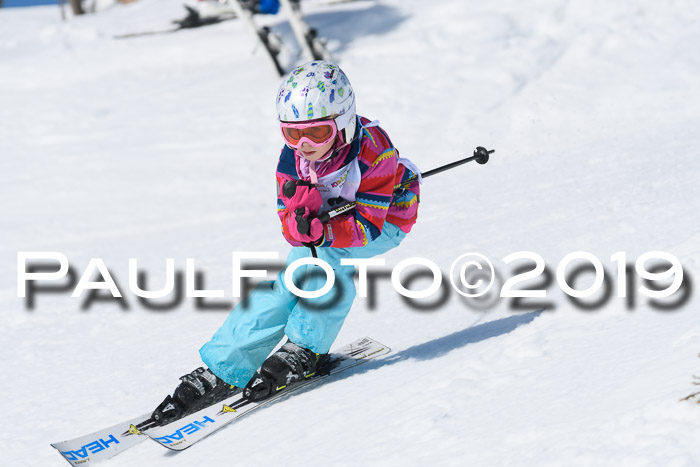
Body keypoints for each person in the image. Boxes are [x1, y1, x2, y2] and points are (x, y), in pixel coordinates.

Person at [152, 60, 420, 425]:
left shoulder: (375, 151)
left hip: (387, 220)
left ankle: (306, 346)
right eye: (293, 135)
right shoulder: (292, 160)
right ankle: (227, 361)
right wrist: (300, 223)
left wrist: (321, 232)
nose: (304, 145)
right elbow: (287, 222)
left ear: (342, 123)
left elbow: (368, 227)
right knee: (289, 278)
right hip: (331, 228)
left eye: (317, 133)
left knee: (327, 256)